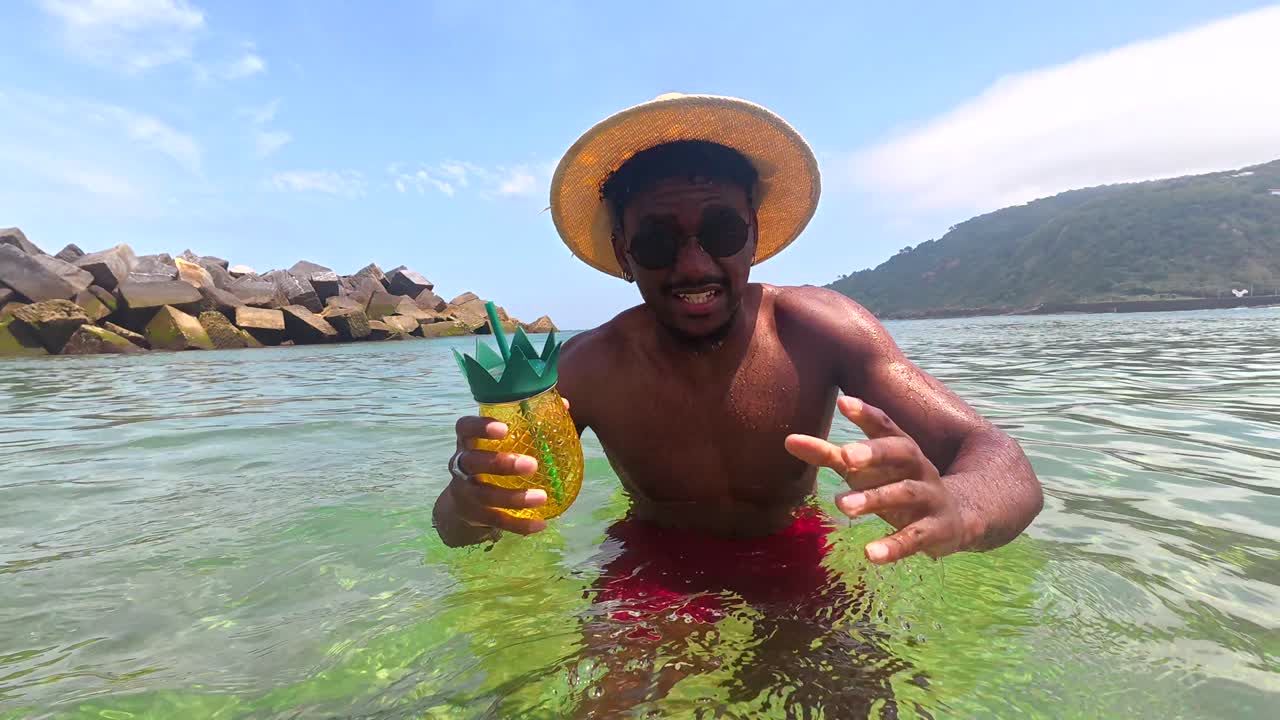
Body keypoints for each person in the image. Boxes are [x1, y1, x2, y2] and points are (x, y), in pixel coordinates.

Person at [431, 93, 1044, 714]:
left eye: (721, 232)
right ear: (623, 252)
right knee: (603, 705)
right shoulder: (587, 367)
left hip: (793, 552)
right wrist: (470, 495)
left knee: (854, 701)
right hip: (654, 564)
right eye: (657, 243)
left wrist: (960, 510)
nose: (694, 264)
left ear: (754, 232)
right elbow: (462, 531)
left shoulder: (819, 327)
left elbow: (997, 455)